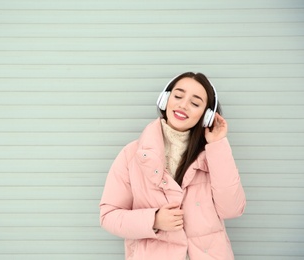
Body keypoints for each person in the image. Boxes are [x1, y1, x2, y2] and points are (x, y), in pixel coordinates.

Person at [99, 72, 246, 260]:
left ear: (207, 116)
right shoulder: (131, 154)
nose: (183, 105)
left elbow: (232, 209)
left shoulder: (213, 156)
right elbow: (108, 216)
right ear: (165, 100)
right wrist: (154, 220)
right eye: (178, 96)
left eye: (195, 103)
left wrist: (217, 145)